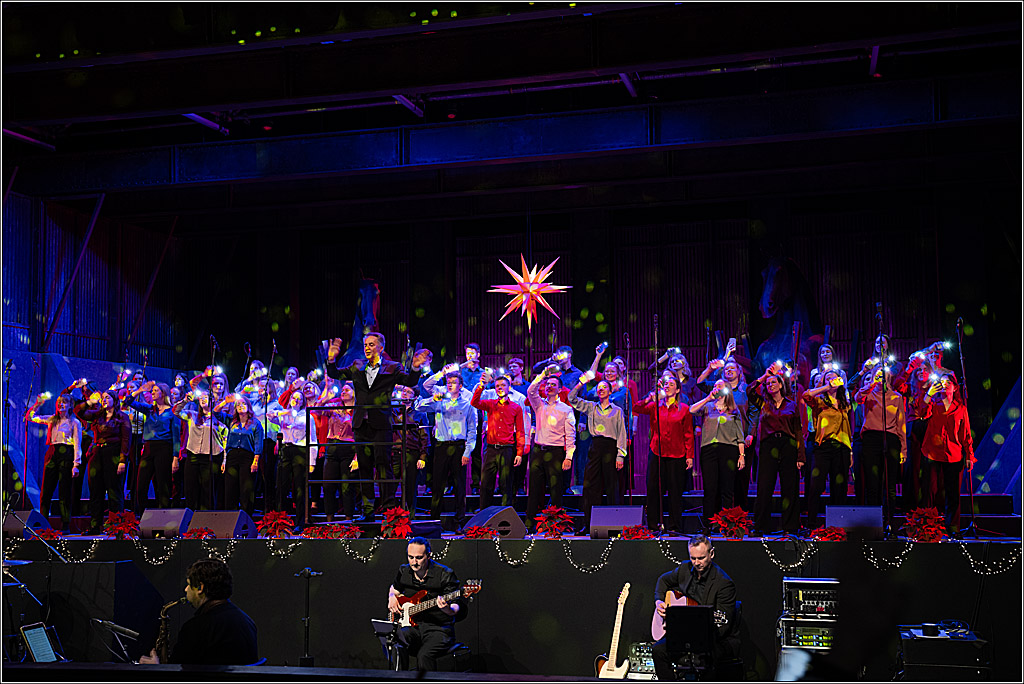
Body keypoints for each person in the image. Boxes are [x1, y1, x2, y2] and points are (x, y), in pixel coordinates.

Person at [325, 332, 431, 516]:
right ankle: (367, 510)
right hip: (361, 424)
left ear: (381, 348)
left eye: (371, 344)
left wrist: (415, 368)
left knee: (384, 467)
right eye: (366, 344)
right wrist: (331, 359)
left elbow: (409, 381)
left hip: (381, 424)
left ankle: (389, 509)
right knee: (364, 467)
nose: (367, 347)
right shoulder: (357, 365)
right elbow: (335, 373)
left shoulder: (392, 367)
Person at [651, 535, 739, 680]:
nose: (697, 563)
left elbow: (723, 627)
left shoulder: (723, 583)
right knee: (658, 650)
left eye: (701, 558)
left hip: (713, 637)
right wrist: (659, 601)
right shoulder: (684, 569)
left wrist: (695, 631)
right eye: (693, 558)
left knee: (706, 657)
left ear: (711, 554)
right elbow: (663, 580)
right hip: (684, 634)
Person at [140, 558, 258, 665]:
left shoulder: (196, 628)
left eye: (189, 584)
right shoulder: (246, 620)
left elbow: (176, 675)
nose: (186, 589)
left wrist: (156, 668)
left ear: (200, 588)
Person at [387, 537, 464, 672]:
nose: (414, 562)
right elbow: (394, 588)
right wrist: (392, 596)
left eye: (419, 558)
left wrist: (447, 609)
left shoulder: (445, 574)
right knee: (396, 642)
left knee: (424, 655)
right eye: (410, 557)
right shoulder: (404, 571)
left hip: (439, 629)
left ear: (428, 556)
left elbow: (457, 606)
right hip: (413, 627)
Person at [633, 373, 694, 534]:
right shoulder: (655, 406)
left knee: (675, 492)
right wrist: (648, 398)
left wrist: (690, 456)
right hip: (657, 452)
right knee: (653, 490)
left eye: (671, 385)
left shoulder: (684, 409)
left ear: (678, 390)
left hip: (677, 454)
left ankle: (675, 526)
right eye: (665, 384)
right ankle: (653, 526)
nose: (667, 387)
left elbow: (688, 433)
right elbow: (636, 408)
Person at [416, 370, 478, 528]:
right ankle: (434, 521)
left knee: (459, 486)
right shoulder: (439, 398)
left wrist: (467, 451)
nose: (450, 384)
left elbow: (472, 429)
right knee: (437, 485)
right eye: (448, 382)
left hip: (458, 447)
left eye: (453, 382)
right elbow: (420, 402)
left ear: (461, 386)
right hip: (441, 446)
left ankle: (459, 522)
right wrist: (441, 374)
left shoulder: (467, 402)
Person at [748, 363, 804, 534]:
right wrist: (764, 376)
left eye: (773, 382)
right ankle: (761, 527)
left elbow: (798, 431)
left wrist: (800, 456)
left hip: (788, 445)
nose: (770, 385)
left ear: (780, 384)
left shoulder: (791, 405)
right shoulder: (763, 403)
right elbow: (750, 391)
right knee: (765, 486)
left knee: (790, 487)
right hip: (768, 446)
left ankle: (791, 527)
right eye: (768, 383)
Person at [567, 375, 627, 532]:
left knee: (612, 487)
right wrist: (582, 383)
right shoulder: (591, 407)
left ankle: (614, 525)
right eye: (598, 388)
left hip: (611, 448)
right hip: (595, 447)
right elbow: (571, 398)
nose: (601, 390)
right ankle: (590, 525)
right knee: (591, 486)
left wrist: (620, 455)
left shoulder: (617, 411)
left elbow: (622, 434)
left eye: (604, 387)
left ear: (610, 390)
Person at [690, 379, 747, 532]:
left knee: (727, 488)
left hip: (729, 449)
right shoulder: (708, 406)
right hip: (709, 449)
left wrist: (742, 455)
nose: (717, 388)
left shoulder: (734, 410)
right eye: (715, 386)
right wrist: (708, 398)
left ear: (727, 389)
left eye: (720, 386)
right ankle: (709, 525)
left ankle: (727, 524)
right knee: (710, 488)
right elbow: (692, 410)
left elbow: (740, 435)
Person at [921, 373, 974, 537]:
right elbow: (921, 412)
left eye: (947, 382)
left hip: (954, 454)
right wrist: (928, 394)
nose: (944, 384)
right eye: (941, 382)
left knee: (953, 493)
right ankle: (928, 526)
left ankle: (953, 527)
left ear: (954, 387)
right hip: (932, 453)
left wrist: (969, 455)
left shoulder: (961, 409)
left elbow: (965, 434)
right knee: (931, 490)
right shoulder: (933, 404)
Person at [853, 364, 907, 527]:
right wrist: (871, 383)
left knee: (890, 484)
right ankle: (873, 523)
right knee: (873, 482)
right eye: (878, 374)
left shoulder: (896, 397)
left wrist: (903, 448)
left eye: (883, 375)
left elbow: (901, 424)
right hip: (871, 438)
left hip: (890, 439)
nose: (881, 377)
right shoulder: (868, 394)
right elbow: (857, 398)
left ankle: (890, 522)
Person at [524, 366, 574, 530]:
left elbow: (571, 435)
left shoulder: (566, 409)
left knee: (555, 489)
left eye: (553, 384)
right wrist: (542, 376)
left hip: (556, 452)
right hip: (538, 450)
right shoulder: (539, 405)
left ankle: (556, 524)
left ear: (560, 389)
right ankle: (530, 523)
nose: (549, 386)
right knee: (534, 489)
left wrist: (569, 456)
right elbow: (531, 390)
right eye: (548, 384)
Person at [802, 370, 854, 529]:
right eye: (828, 378)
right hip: (823, 446)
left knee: (839, 486)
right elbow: (805, 396)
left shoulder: (844, 402)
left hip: (842, 447)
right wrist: (826, 386)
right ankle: (811, 524)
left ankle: (837, 525)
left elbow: (848, 427)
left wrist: (850, 451)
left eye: (834, 378)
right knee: (816, 485)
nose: (832, 380)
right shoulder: (819, 401)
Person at [26, 388, 83, 533]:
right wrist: (38, 404)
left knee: (64, 491)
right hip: (52, 452)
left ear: (70, 405)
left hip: (67, 453)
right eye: (59, 403)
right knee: (46, 491)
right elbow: (30, 417)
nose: (61, 405)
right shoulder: (52, 419)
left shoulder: (74, 422)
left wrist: (76, 464)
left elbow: (77, 443)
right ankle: (43, 523)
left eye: (64, 403)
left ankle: (65, 525)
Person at [76, 389, 131, 535]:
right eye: (103, 398)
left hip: (113, 453)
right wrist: (90, 402)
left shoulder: (122, 417)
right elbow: (78, 412)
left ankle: (116, 526)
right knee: (96, 491)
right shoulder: (97, 415)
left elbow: (126, 440)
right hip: (97, 454)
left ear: (114, 400)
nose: (104, 400)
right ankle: (95, 526)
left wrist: (122, 460)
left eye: (107, 398)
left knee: (114, 491)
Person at [471, 372, 525, 511]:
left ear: (509, 387)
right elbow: (474, 402)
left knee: (506, 483)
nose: (500, 388)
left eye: (503, 385)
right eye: (497, 386)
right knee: (486, 483)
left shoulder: (516, 407)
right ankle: (484, 513)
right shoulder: (490, 404)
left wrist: (519, 453)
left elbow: (520, 431)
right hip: (491, 449)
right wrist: (482, 386)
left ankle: (506, 514)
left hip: (507, 448)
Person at [172, 390, 226, 512]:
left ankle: (207, 519)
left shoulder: (218, 418)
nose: (202, 399)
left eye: (206, 397)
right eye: (201, 397)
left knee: (208, 490)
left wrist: (224, 460)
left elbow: (225, 441)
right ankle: (191, 519)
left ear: (212, 400)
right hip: (193, 456)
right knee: (191, 489)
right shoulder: (193, 415)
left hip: (211, 457)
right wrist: (186, 400)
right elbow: (175, 411)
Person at [128, 381, 177, 513]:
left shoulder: (172, 412)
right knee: (141, 484)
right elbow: (128, 401)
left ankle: (163, 515)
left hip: (164, 448)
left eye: (156, 390)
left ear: (163, 393)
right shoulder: (149, 409)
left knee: (163, 484)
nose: (152, 392)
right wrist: (140, 390)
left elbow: (176, 436)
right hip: (149, 447)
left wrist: (175, 457)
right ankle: (143, 515)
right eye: (152, 390)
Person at [215, 393, 263, 517]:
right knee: (230, 488)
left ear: (249, 406)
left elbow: (258, 444)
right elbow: (215, 413)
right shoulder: (231, 421)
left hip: (247, 457)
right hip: (232, 456)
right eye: (238, 404)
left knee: (246, 489)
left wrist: (255, 461)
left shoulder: (255, 424)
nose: (241, 406)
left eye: (243, 404)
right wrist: (225, 402)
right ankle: (230, 518)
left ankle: (246, 518)